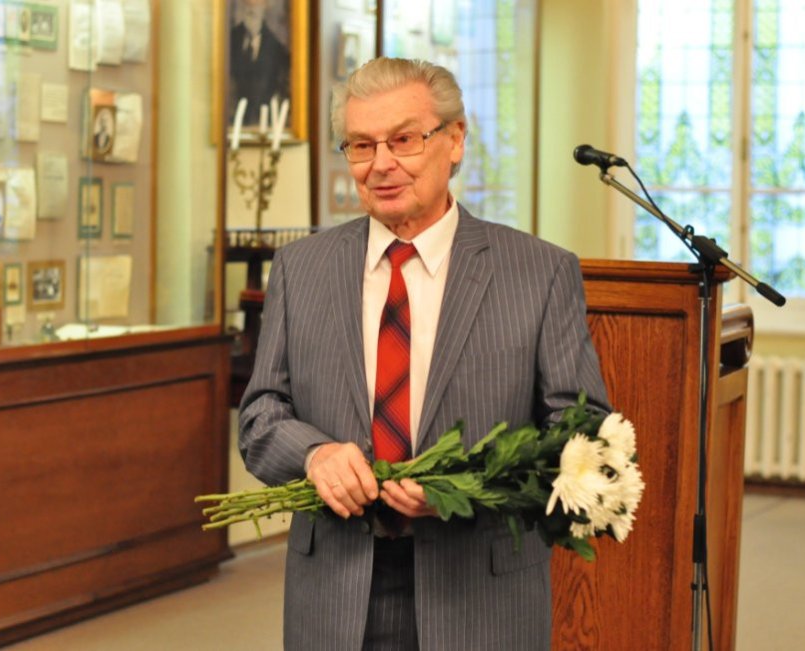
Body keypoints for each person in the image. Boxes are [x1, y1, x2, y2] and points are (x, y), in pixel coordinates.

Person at [238, 57, 610, 650]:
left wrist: (465, 489)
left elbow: (581, 433)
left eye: (404, 139)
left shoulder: (538, 272)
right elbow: (260, 414)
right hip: (334, 594)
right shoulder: (300, 269)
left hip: (481, 596)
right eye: (361, 145)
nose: (381, 164)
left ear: (454, 140)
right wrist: (313, 455)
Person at [229, 0, 290, 125]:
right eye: (248, 3)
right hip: (231, 123)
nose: (252, 7)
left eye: (257, 3)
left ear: (265, 6)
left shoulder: (276, 48)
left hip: (264, 124)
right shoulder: (229, 40)